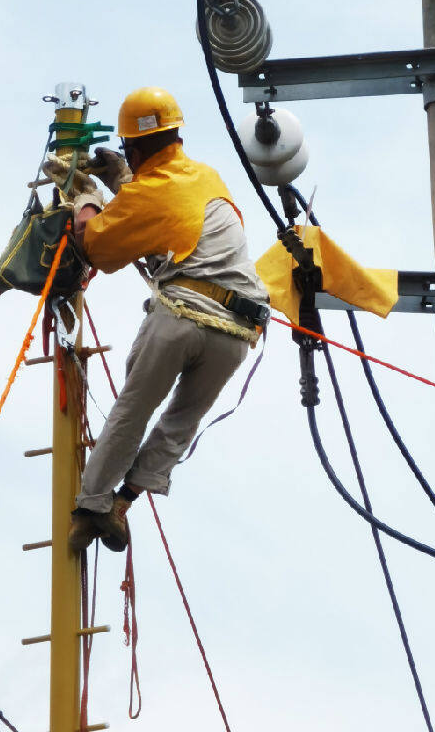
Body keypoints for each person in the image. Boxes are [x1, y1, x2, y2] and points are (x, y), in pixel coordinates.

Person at [45, 87, 269, 553]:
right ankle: (122, 504)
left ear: (134, 144)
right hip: (237, 333)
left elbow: (98, 246)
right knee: (179, 424)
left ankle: (91, 508)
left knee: (134, 409)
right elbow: (164, 219)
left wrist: (87, 198)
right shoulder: (207, 177)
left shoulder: (147, 192)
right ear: (175, 134)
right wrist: (123, 179)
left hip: (183, 317)